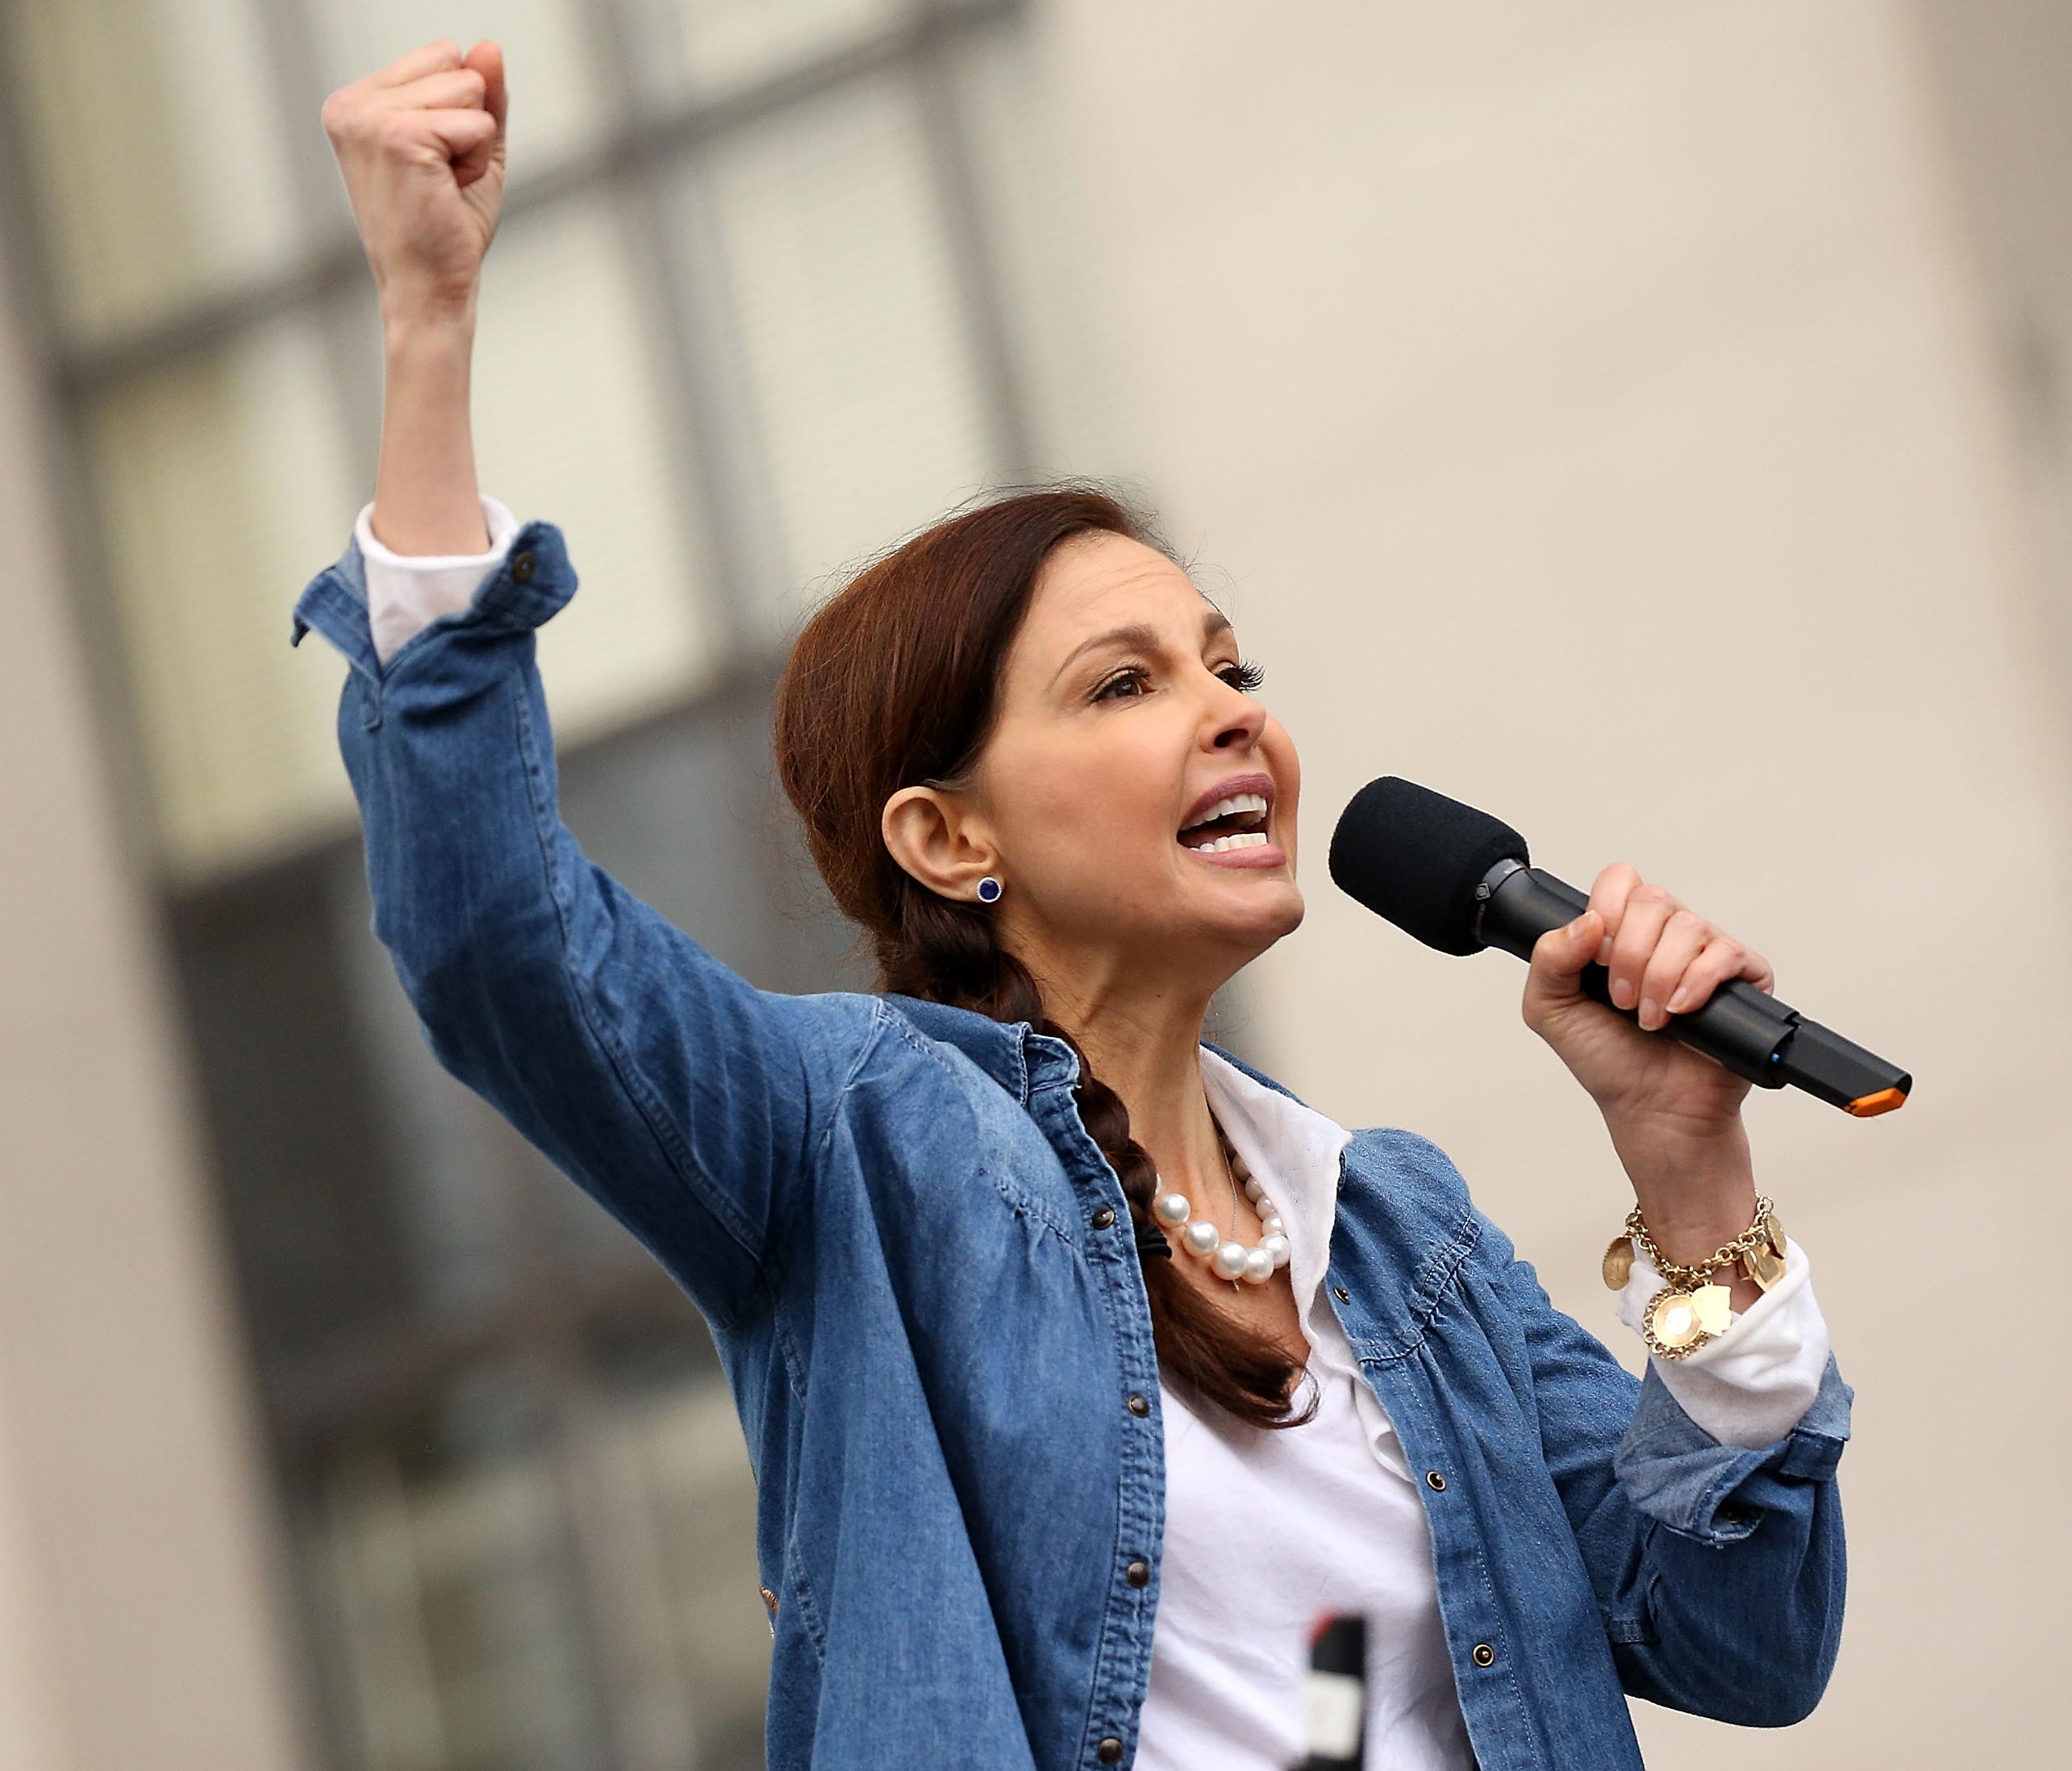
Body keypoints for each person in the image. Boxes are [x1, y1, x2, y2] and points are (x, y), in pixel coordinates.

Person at [294, 40, 1849, 1771]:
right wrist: (427, 333)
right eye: (1123, 686)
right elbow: (499, 947)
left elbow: (1737, 1638)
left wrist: (1687, 1163)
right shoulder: (858, 1148)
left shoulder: (1395, 1234)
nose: (1231, 711)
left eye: (1230, 664)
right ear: (950, 839)